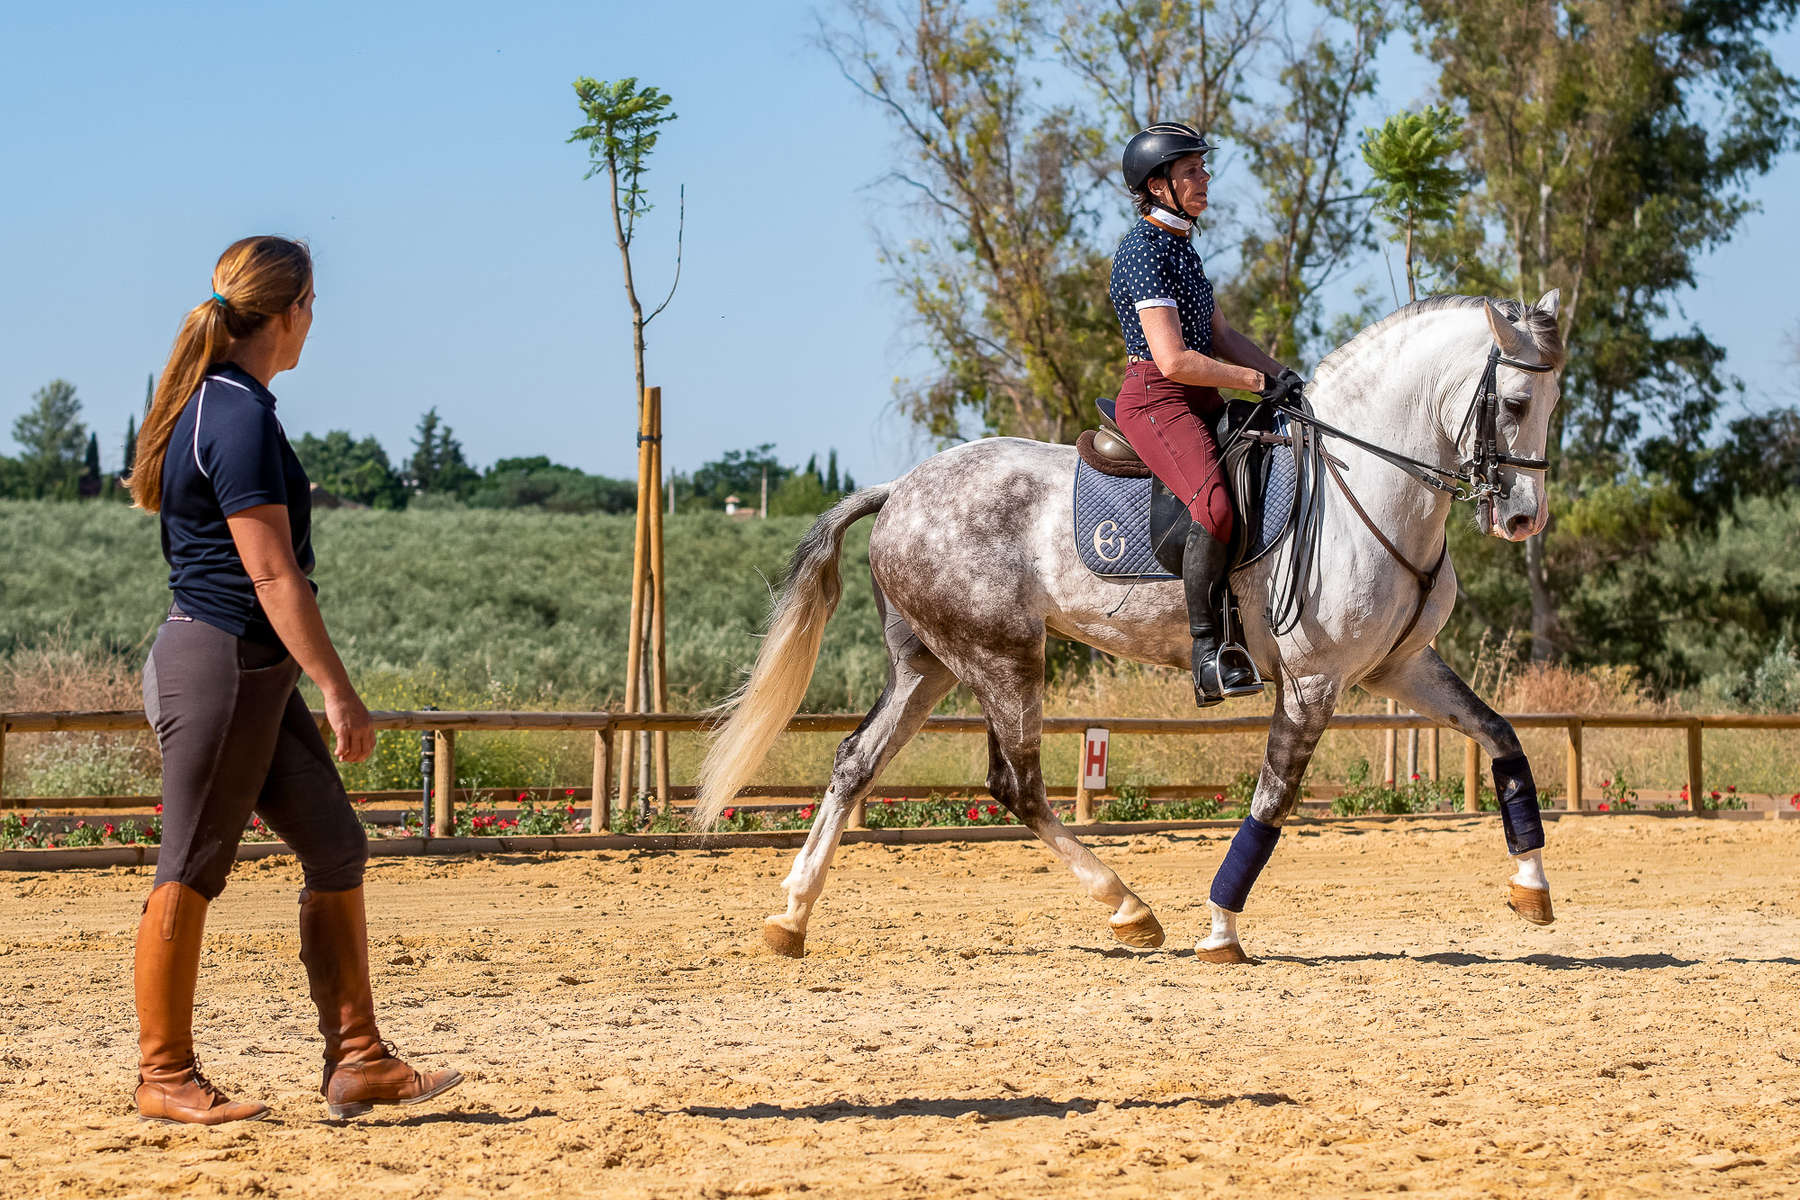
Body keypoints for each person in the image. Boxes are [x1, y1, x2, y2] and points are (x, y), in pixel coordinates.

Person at [125, 235, 461, 1124]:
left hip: (250, 672)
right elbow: (273, 574)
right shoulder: (233, 414)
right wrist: (339, 690)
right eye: (315, 304)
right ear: (291, 310)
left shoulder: (234, 405)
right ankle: (164, 1077)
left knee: (334, 843)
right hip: (225, 666)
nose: (316, 321)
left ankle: (359, 1062)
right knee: (192, 865)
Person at [1108, 123, 1304, 706]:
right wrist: (1252, 381)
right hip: (1157, 399)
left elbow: (1219, 333)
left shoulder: (1182, 247)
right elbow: (1172, 360)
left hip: (1200, 394)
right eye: (1191, 171)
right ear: (1158, 184)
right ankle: (1207, 651)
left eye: (1202, 169)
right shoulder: (1142, 252)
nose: (1204, 179)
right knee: (1215, 508)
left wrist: (1287, 379)